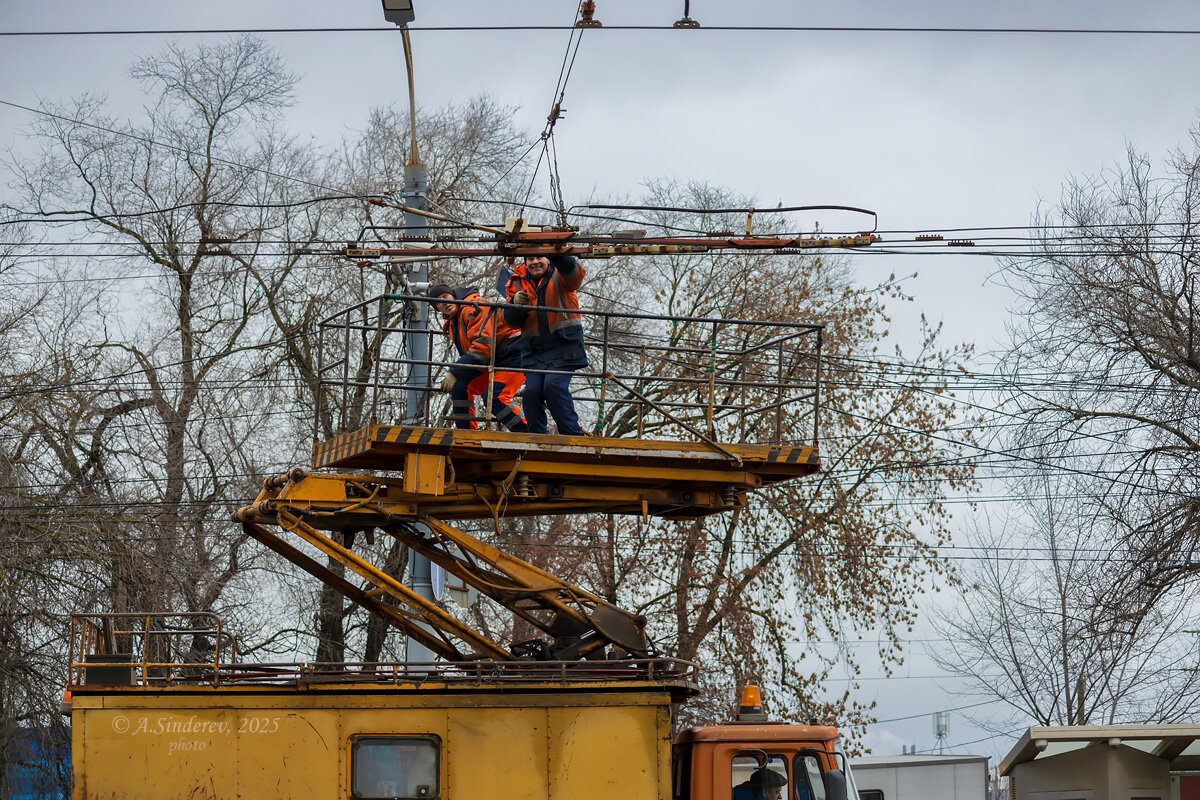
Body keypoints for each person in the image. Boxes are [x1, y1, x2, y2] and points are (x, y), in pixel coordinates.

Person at [501, 253, 587, 435]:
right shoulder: (517, 282)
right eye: (530, 259)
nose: (535, 262)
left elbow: (575, 276)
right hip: (535, 351)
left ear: (549, 260)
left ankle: (572, 435)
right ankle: (536, 436)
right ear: (525, 263)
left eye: (540, 257)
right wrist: (514, 304)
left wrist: (559, 253)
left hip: (564, 347)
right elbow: (511, 321)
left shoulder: (561, 274)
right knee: (531, 392)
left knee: (553, 386)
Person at [428, 283, 527, 432]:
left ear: (453, 296)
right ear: (437, 309)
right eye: (439, 302)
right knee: (460, 387)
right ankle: (467, 435)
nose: (445, 302)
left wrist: (454, 371)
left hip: (514, 353)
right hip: (494, 358)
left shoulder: (472, 307)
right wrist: (457, 373)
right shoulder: (454, 321)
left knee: (494, 397)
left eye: (445, 296)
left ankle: (530, 432)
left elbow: (482, 348)